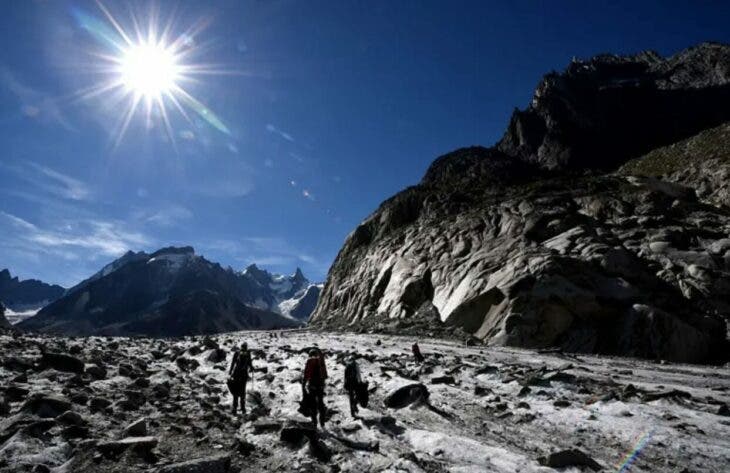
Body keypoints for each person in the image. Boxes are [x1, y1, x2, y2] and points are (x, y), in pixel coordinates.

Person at [302, 348, 328, 427]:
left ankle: (314, 422)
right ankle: (322, 422)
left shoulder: (310, 361)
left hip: (312, 386)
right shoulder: (321, 362)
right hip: (320, 386)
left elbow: (307, 373)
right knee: (321, 403)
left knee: (313, 405)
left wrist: (304, 383)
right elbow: (325, 375)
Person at [228, 342, 254, 414]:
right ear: (246, 347)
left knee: (235, 391)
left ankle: (234, 408)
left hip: (236, 374)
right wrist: (251, 368)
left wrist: (230, 372)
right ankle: (243, 408)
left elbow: (233, 363)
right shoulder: (248, 353)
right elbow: (250, 363)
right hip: (244, 375)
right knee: (243, 391)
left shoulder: (237, 353)